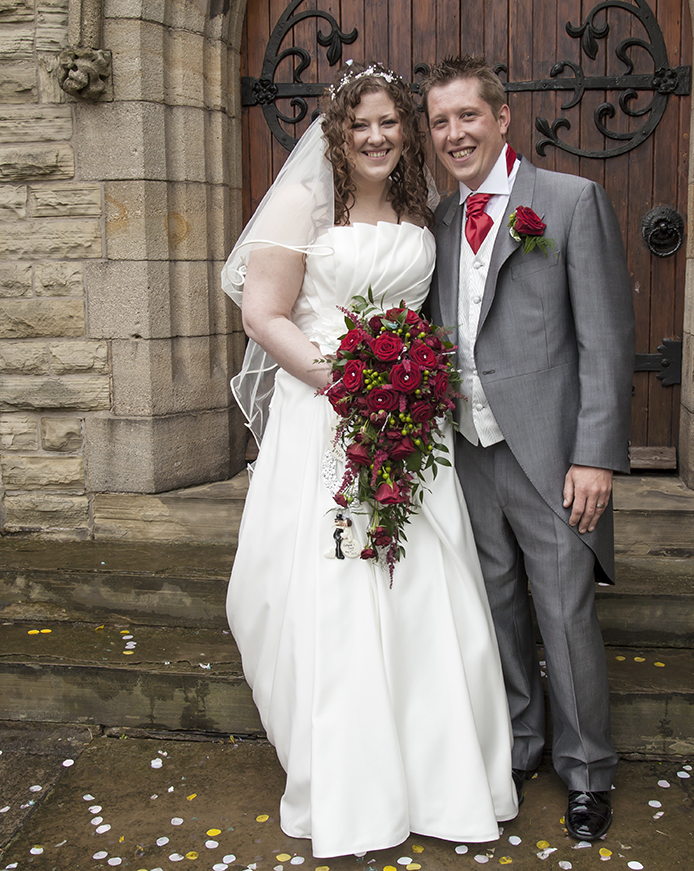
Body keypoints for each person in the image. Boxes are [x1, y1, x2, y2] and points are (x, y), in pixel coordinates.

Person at [221, 62, 518, 858]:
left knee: (425, 585)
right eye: (363, 126)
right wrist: (349, 385)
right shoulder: (301, 202)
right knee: (341, 583)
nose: (378, 137)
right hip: (327, 417)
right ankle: (355, 780)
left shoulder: (419, 206)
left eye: (391, 124)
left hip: (412, 427)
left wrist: (405, 387)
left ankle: (437, 772)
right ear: (339, 133)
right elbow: (262, 313)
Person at [421, 56, 635, 842]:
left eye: (467, 116)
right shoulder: (442, 222)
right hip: (468, 450)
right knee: (498, 608)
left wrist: (597, 456)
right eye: (440, 122)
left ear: (503, 118)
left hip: (551, 455)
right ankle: (520, 743)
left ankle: (586, 773)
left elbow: (606, 339)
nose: (454, 135)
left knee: (566, 616)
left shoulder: (570, 202)